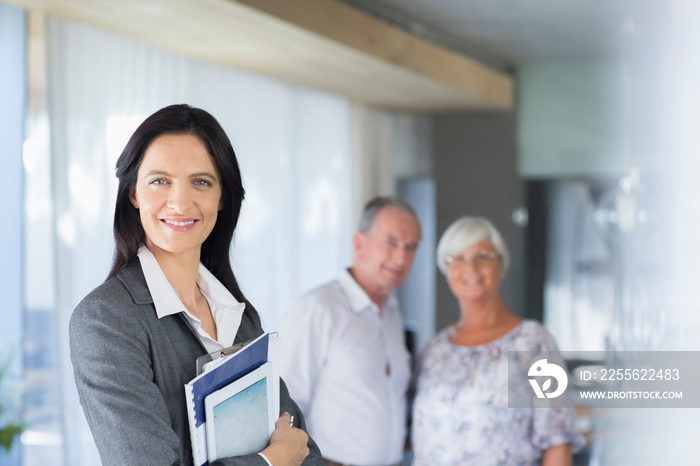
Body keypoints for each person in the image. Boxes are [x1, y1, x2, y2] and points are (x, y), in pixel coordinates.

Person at [69, 104, 322, 466]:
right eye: (160, 181)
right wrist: (270, 461)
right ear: (134, 193)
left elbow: (305, 450)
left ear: (221, 200)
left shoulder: (239, 316)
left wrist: (283, 455)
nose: (180, 202)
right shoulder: (106, 321)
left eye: (201, 182)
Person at [410, 216, 585, 466]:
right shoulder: (434, 351)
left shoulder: (533, 343)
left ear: (501, 266)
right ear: (447, 272)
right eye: (457, 258)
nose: (471, 267)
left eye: (483, 256)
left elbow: (558, 440)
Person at [280, 197, 421, 466]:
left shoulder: (392, 312)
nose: (401, 257)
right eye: (391, 243)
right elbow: (285, 407)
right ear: (359, 243)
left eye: (411, 247)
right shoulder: (318, 308)